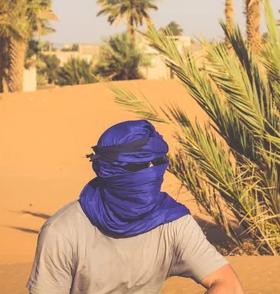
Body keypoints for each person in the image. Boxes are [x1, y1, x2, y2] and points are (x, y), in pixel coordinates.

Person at [27, 120, 244, 294]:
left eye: (158, 163)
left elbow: (228, 285)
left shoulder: (171, 222)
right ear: (109, 170)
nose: (150, 172)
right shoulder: (63, 231)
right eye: (137, 165)